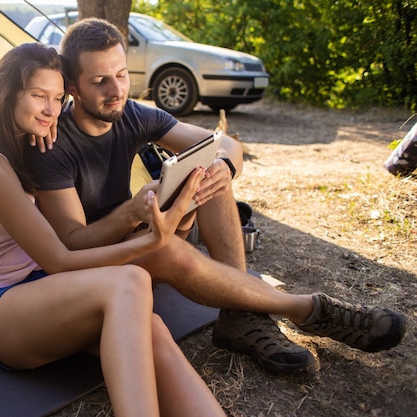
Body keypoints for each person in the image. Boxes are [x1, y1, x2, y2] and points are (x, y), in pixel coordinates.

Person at [23, 18, 407, 373]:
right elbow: (71, 246)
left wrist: (225, 166)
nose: (116, 90)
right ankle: (308, 308)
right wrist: (131, 213)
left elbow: (222, 144)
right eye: (100, 81)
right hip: (96, 271)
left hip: (142, 239)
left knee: (209, 171)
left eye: (122, 74)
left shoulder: (132, 114)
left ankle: (239, 317)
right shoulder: (51, 143)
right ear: (71, 87)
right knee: (161, 247)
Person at [0, 42, 227, 417]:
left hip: (45, 291)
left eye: (57, 98)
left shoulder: (25, 141)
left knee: (152, 327)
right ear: (5, 95)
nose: (51, 110)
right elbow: (62, 259)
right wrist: (153, 239)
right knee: (129, 282)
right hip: (0, 308)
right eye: (38, 96)